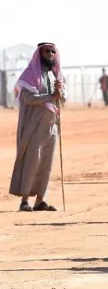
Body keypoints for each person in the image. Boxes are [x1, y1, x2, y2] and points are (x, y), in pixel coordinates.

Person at [9, 42, 66, 212]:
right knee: (31, 162)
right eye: (47, 51)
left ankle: (40, 200)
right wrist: (51, 96)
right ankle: (25, 200)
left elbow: (62, 100)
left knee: (46, 164)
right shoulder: (30, 74)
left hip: (51, 126)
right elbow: (29, 98)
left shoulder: (55, 75)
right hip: (34, 126)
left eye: (52, 52)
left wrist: (60, 93)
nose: (50, 54)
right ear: (39, 53)